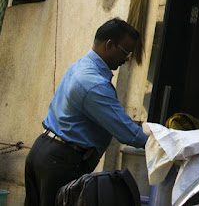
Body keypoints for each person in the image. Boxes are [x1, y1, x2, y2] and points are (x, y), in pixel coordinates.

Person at [24, 18, 149, 206]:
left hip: (43, 151)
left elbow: (100, 118)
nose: (126, 59)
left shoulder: (81, 66)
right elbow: (129, 135)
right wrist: (168, 143)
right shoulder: (94, 83)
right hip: (62, 161)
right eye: (125, 52)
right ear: (109, 45)